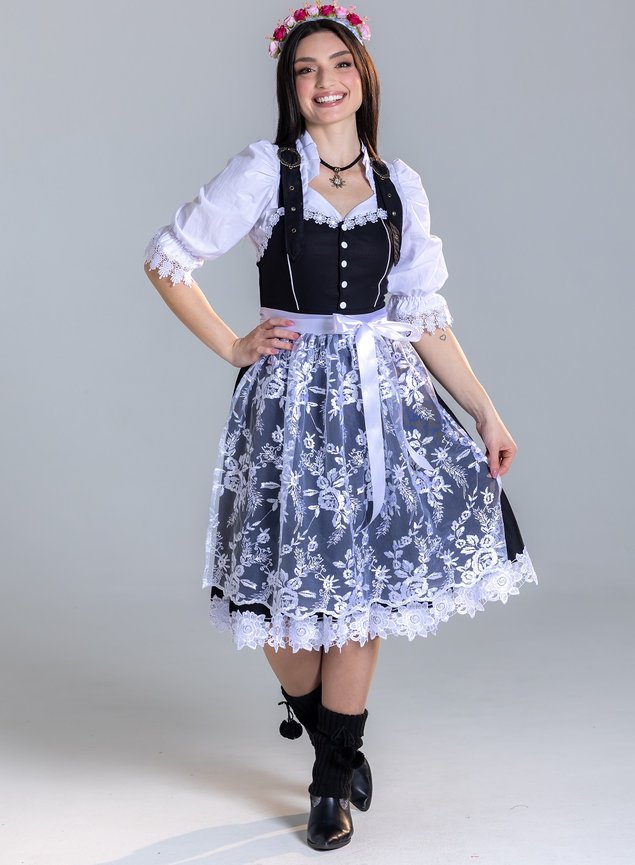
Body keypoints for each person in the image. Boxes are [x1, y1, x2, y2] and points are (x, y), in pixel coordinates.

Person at [143, 3, 538, 851]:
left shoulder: (399, 183)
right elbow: (169, 259)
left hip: (381, 403)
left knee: (358, 592)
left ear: (363, 77)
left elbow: (423, 316)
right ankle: (332, 731)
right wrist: (234, 344)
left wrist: (485, 409)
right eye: (305, 69)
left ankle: (330, 781)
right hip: (289, 407)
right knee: (286, 608)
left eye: (338, 65)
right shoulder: (264, 172)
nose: (324, 82)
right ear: (289, 86)